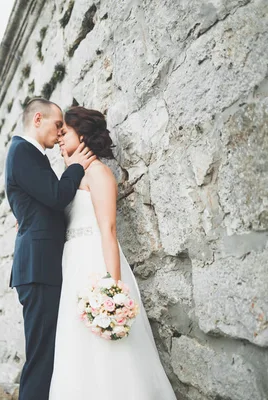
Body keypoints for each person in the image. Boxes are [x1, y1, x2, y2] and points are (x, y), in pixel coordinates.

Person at [48, 106, 176, 399]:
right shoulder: (70, 177)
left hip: (96, 264)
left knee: (108, 348)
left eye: (64, 132)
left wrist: (113, 288)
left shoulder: (99, 173)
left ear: (81, 134)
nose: (58, 138)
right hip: (72, 267)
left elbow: (108, 230)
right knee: (77, 347)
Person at [5, 99, 96, 400]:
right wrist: (76, 168)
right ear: (38, 118)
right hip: (38, 268)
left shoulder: (29, 154)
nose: (60, 133)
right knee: (42, 357)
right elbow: (56, 196)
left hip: (41, 266)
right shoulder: (22, 152)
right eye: (58, 125)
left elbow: (39, 205)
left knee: (47, 353)